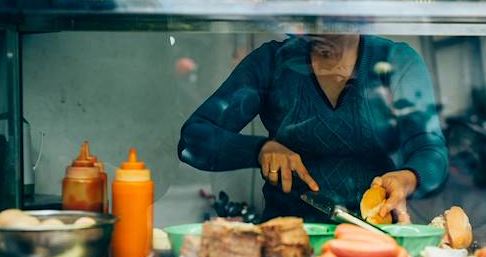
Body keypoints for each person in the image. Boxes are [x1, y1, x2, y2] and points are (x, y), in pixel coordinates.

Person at [178, 35, 448, 223]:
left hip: (374, 239)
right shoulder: (271, 63)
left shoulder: (395, 60)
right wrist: (260, 150)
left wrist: (408, 177)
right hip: (288, 239)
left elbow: (430, 151)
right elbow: (193, 141)